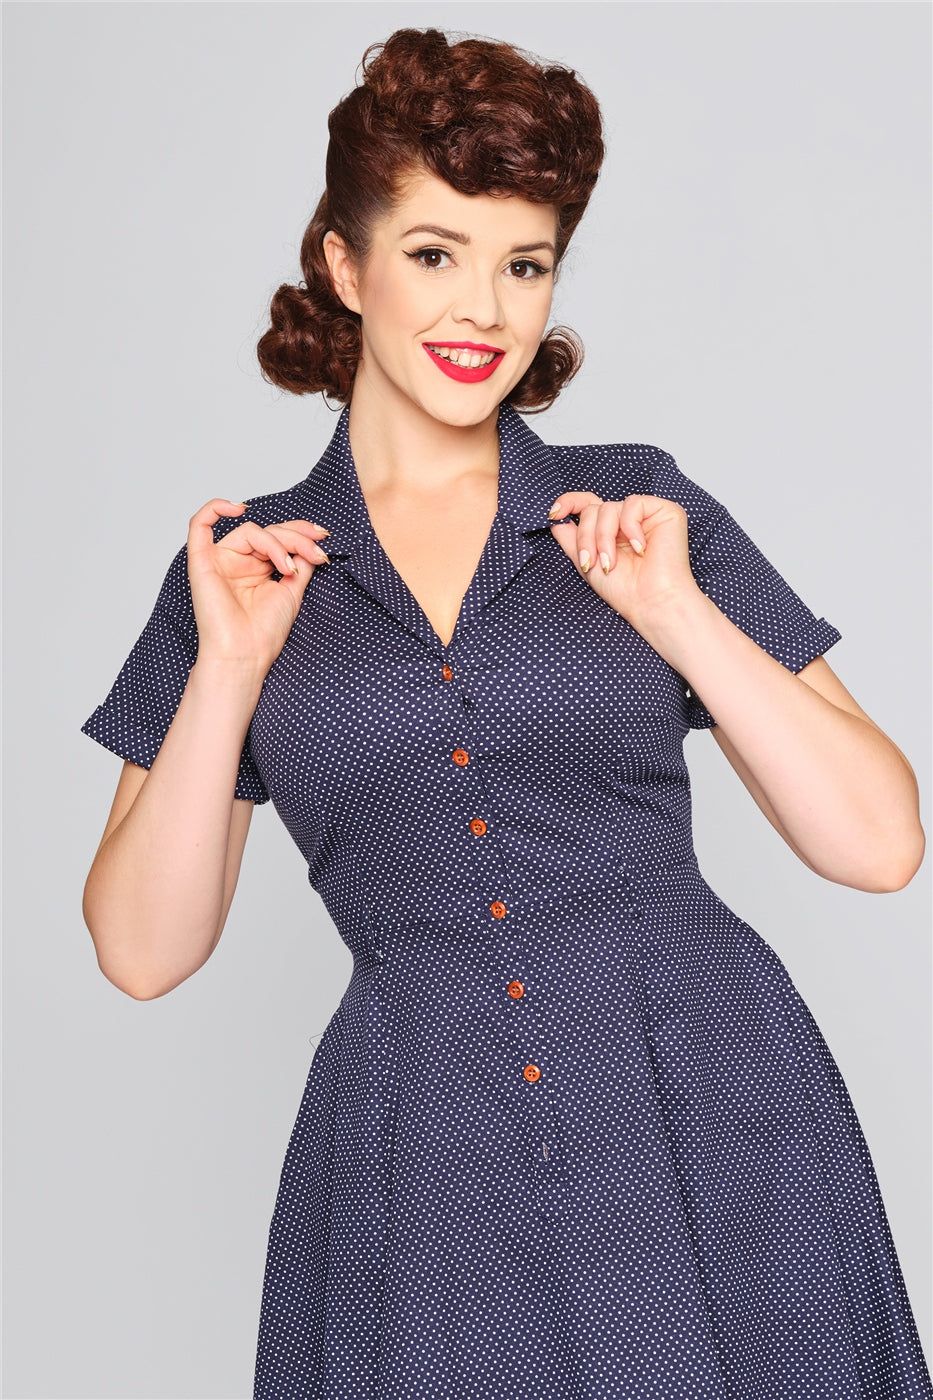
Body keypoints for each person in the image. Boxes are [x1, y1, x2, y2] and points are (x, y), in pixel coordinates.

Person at [80, 26, 931, 1400]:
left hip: (706, 1106)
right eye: (433, 253)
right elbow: (139, 949)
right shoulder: (243, 571)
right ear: (343, 267)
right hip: (426, 1155)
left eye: (522, 262)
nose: (483, 306)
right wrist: (229, 666)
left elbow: (879, 842)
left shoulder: (637, 504)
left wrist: (672, 614)